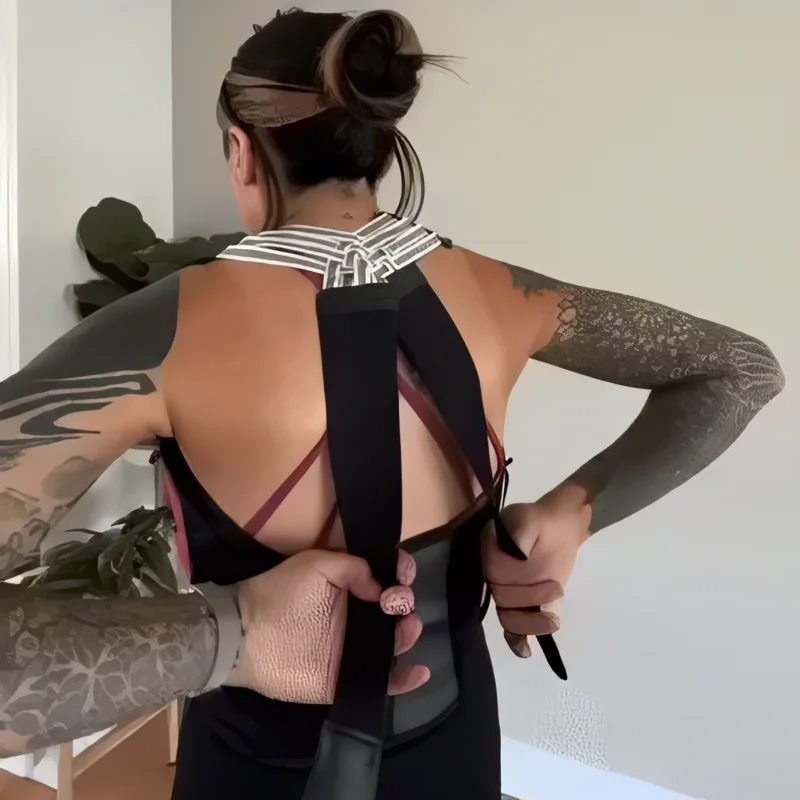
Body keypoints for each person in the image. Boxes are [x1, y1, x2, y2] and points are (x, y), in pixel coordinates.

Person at [0, 8, 785, 800]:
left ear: (241, 150)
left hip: (258, 772)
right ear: (377, 144)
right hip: (457, 743)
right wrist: (575, 510)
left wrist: (229, 633)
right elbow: (741, 370)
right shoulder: (502, 293)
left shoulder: (159, 334)